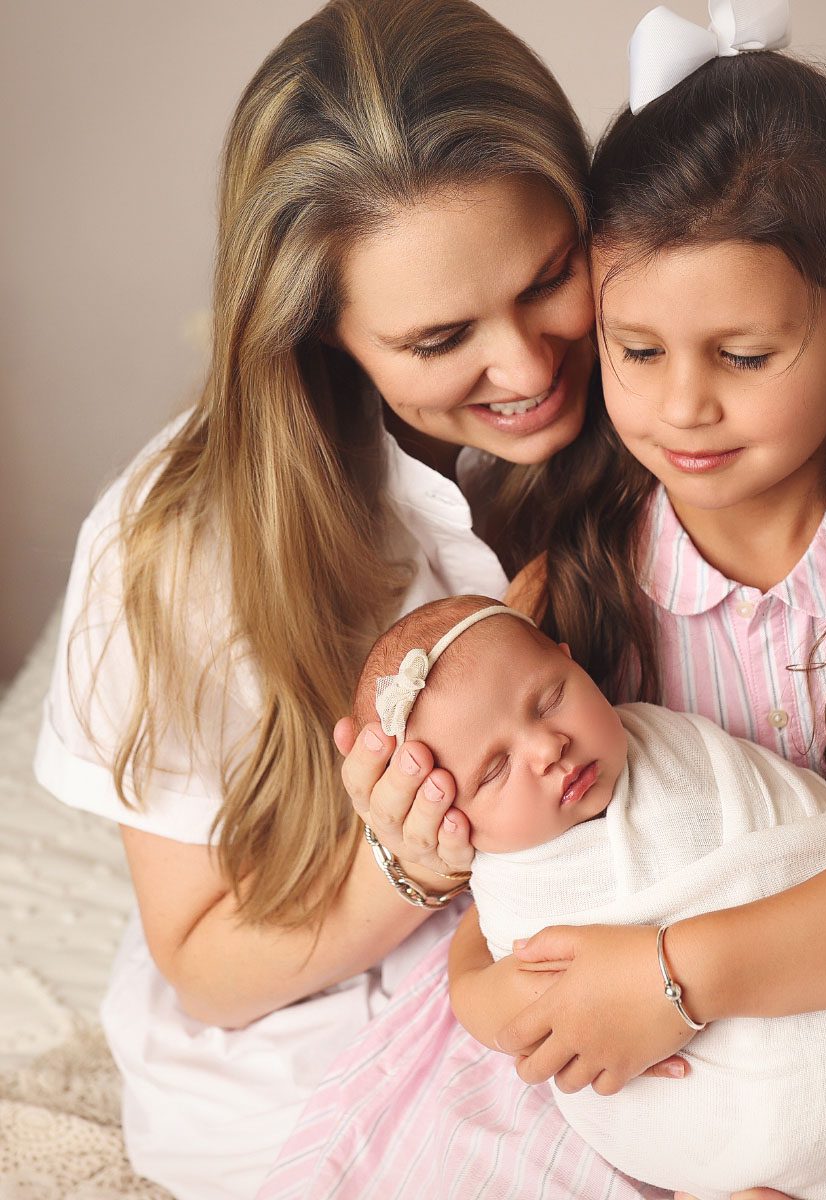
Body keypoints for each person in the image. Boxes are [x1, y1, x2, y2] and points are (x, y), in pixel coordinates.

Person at [262, 5, 826, 1200]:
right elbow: (499, 925)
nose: (682, 406)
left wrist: (684, 982)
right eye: (636, 350)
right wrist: (533, 1004)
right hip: (637, 1060)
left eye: (744, 356)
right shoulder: (573, 586)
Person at [31, 1, 603, 1195]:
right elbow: (200, 960)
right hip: (325, 1018)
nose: (533, 366)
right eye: (444, 337)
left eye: (552, 278)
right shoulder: (178, 550)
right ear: (320, 336)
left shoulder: (684, 390)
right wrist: (402, 870)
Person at [351, 595, 826, 1200]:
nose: (548, 748)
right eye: (493, 770)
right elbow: (533, 999)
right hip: (736, 1096)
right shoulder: (514, 881)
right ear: (449, 818)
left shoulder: (668, 745)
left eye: (550, 700)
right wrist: (481, 984)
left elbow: (825, 847)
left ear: (574, 662)